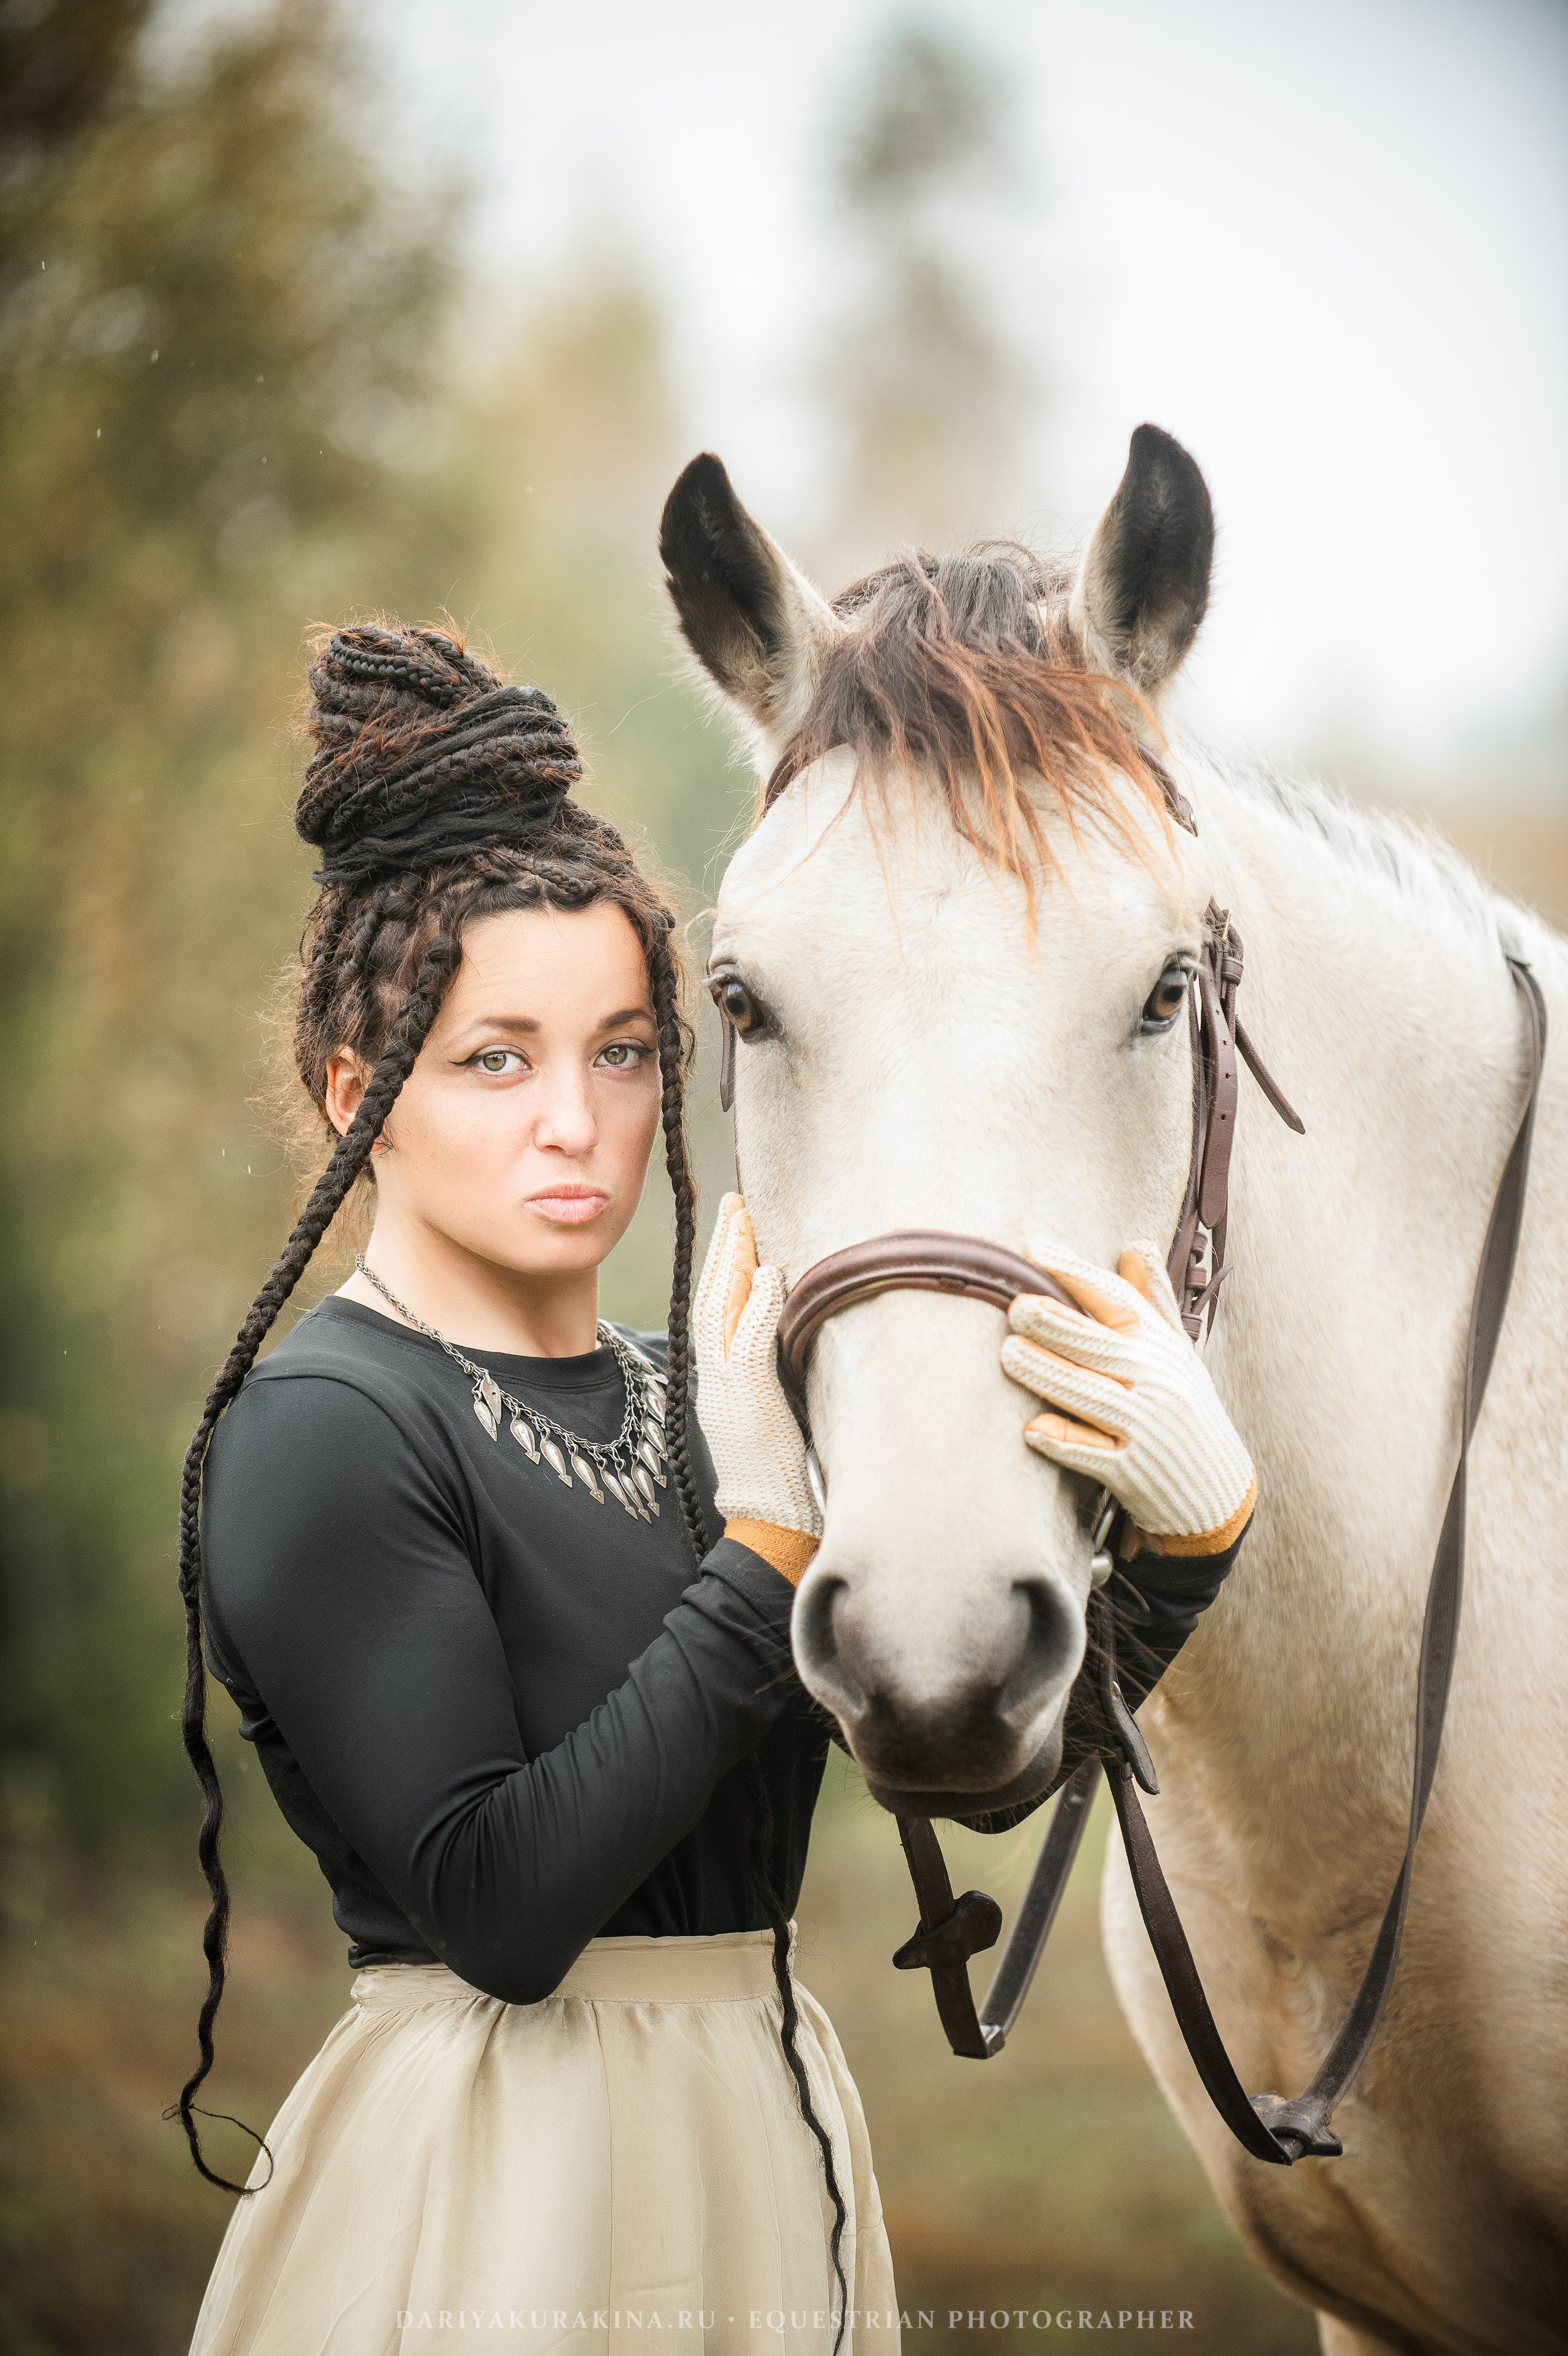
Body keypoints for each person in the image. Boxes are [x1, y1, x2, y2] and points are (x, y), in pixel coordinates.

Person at [172, 620, 1257, 2356]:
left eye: (622, 1049)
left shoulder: (706, 1402)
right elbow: (503, 1904)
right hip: (491, 2187)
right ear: (355, 1093)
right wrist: (765, 1547)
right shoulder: (323, 1426)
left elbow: (960, 1771)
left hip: (761, 2149)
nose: (580, 1122)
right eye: (496, 1058)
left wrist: (1188, 1546)